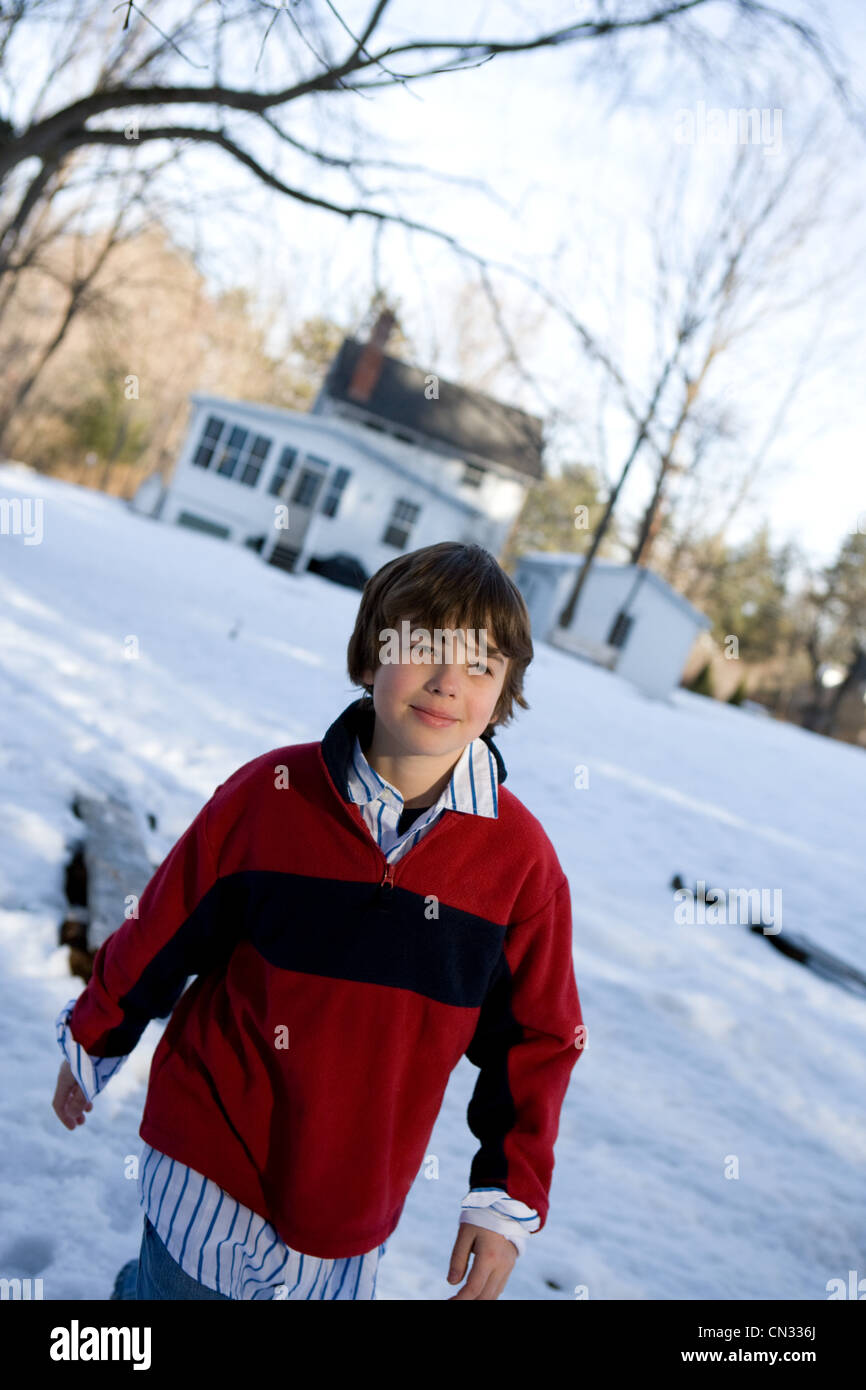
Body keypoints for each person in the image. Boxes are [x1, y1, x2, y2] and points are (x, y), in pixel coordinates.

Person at [52, 540, 585, 1300]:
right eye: (423, 646)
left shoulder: (520, 863)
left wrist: (505, 1196)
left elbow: (538, 1039)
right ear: (371, 657)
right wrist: (95, 1033)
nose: (446, 681)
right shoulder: (271, 795)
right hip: (210, 1150)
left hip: (350, 1205)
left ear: (503, 697)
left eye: (480, 665)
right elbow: (165, 927)